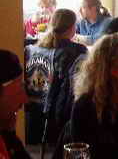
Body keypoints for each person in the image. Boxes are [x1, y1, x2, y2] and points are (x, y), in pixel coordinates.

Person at [24, 9, 88, 147]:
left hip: (31, 106)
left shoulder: (32, 49)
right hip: (56, 111)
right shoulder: (76, 51)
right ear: (72, 28)